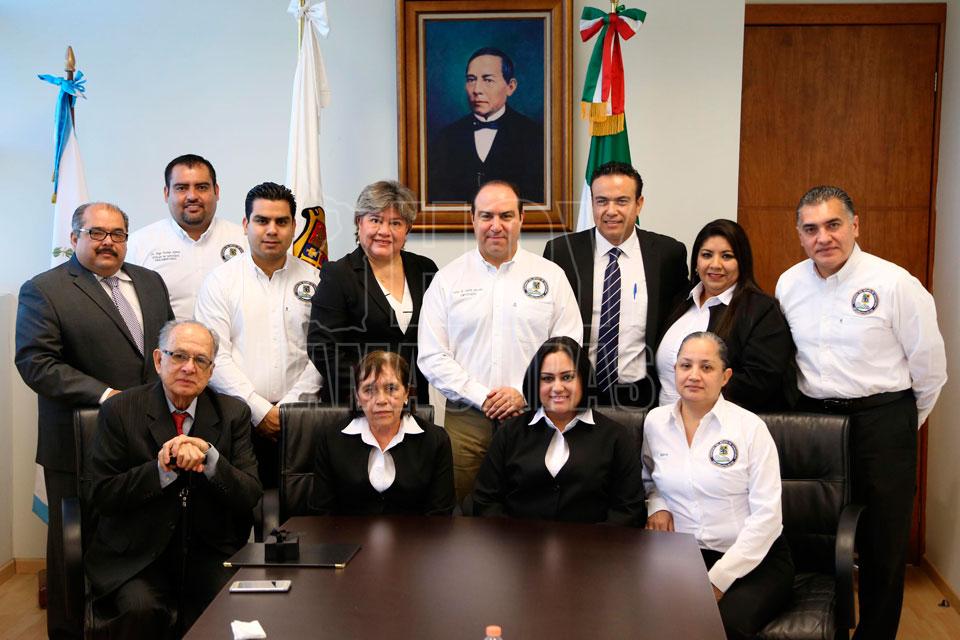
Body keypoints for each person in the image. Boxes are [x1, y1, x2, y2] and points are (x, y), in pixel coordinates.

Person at [775, 186, 947, 639]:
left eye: (833, 225)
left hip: (882, 421)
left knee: (882, 544)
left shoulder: (895, 283)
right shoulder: (789, 284)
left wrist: (899, 425)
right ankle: (820, 628)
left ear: (855, 225)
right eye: (811, 228)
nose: (823, 237)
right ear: (799, 234)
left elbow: (930, 370)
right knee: (814, 531)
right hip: (816, 423)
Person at [15, 201, 174, 639]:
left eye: (117, 234)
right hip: (77, 445)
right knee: (73, 549)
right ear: (74, 238)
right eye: (96, 233)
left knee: (140, 542)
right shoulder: (45, 289)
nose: (108, 242)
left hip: (146, 440)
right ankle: (69, 632)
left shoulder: (151, 281)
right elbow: (36, 363)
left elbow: (163, 352)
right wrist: (107, 397)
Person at [85, 320, 262, 639]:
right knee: (140, 610)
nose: (189, 368)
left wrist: (211, 460)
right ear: (158, 360)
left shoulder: (233, 413)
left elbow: (249, 494)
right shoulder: (119, 411)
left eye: (200, 360)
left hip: (208, 553)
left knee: (230, 609)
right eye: (179, 356)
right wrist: (160, 470)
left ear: (210, 371)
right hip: (137, 557)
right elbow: (102, 494)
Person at [418, 180, 582, 502]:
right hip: (466, 420)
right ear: (473, 219)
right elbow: (432, 355)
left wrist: (524, 392)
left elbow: (569, 346)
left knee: (532, 505)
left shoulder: (551, 276)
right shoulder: (447, 280)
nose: (496, 225)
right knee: (462, 509)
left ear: (521, 218)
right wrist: (482, 397)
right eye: (486, 216)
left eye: (506, 215)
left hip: (535, 415)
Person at [643, 332, 794, 639]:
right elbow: (650, 478)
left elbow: (768, 518)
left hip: (752, 560)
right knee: (649, 619)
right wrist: (657, 505)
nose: (694, 375)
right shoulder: (655, 423)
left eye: (707, 367)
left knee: (721, 627)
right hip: (685, 557)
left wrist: (717, 580)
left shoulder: (750, 429)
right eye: (685, 365)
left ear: (725, 377)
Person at [194, 182, 322, 488]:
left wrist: (287, 412)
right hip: (237, 420)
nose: (272, 230)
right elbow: (214, 356)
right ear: (245, 224)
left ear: (294, 227)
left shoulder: (316, 279)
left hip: (302, 419)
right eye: (262, 220)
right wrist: (260, 412)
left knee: (303, 506)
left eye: (281, 221)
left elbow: (322, 353)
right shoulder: (220, 282)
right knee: (240, 505)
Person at [543, 161, 688, 408]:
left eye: (622, 201)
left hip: (642, 394)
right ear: (592, 203)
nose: (611, 211)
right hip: (575, 391)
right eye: (602, 201)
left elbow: (680, 321)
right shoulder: (562, 252)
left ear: (639, 204)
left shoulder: (667, 254)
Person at [471, 337, 646, 524]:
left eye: (567, 377)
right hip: (516, 541)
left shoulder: (616, 437)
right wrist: (514, 538)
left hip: (593, 542)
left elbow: (629, 510)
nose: (557, 388)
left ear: (584, 379)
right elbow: (485, 501)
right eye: (547, 378)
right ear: (535, 383)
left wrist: (591, 541)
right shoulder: (509, 432)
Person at [308, 180, 438, 406]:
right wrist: (372, 389)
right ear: (359, 222)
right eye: (376, 220)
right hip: (355, 403)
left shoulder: (425, 269)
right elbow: (322, 348)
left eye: (395, 223)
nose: (384, 231)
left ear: (407, 229)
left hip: (413, 402)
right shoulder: (338, 275)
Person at [656, 219, 795, 411]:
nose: (715, 264)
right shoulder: (679, 301)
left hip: (722, 424)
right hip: (664, 422)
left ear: (741, 263)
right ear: (696, 262)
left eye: (727, 256)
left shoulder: (762, 310)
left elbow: (760, 380)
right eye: (707, 255)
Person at [309, 351, 455, 516]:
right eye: (369, 390)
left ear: (406, 393)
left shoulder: (436, 441)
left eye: (391, 388)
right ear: (357, 397)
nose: (381, 400)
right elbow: (322, 514)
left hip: (417, 533)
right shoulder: (331, 441)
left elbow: (440, 515)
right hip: (347, 533)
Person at [127, 154, 247, 321]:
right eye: (181, 188)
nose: (192, 196)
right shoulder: (138, 244)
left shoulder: (244, 240)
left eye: (202, 187)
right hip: (166, 339)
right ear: (166, 193)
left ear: (216, 191)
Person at [428, 47, 544, 204]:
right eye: (471, 80)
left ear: (510, 87)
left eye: (488, 80)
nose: (477, 90)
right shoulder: (446, 137)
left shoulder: (533, 136)